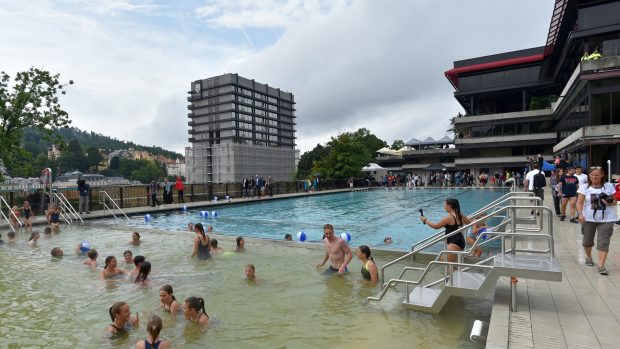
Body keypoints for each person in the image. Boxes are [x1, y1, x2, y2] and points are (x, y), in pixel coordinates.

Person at [576, 167, 617, 275]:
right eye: (592, 175)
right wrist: (580, 214)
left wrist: (609, 202)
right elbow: (579, 202)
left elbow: (615, 201)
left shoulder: (609, 186)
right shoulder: (584, 187)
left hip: (607, 218)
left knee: (603, 242)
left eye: (597, 175)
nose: (594, 177)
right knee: (587, 240)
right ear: (589, 176)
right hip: (588, 218)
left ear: (602, 175)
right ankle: (589, 258)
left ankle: (601, 265)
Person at [420, 198, 472, 262]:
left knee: (445, 262)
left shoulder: (450, 217)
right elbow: (469, 222)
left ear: (449, 206)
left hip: (454, 243)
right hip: (459, 241)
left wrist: (425, 220)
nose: (444, 207)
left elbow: (436, 226)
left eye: (445, 205)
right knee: (449, 264)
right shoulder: (459, 215)